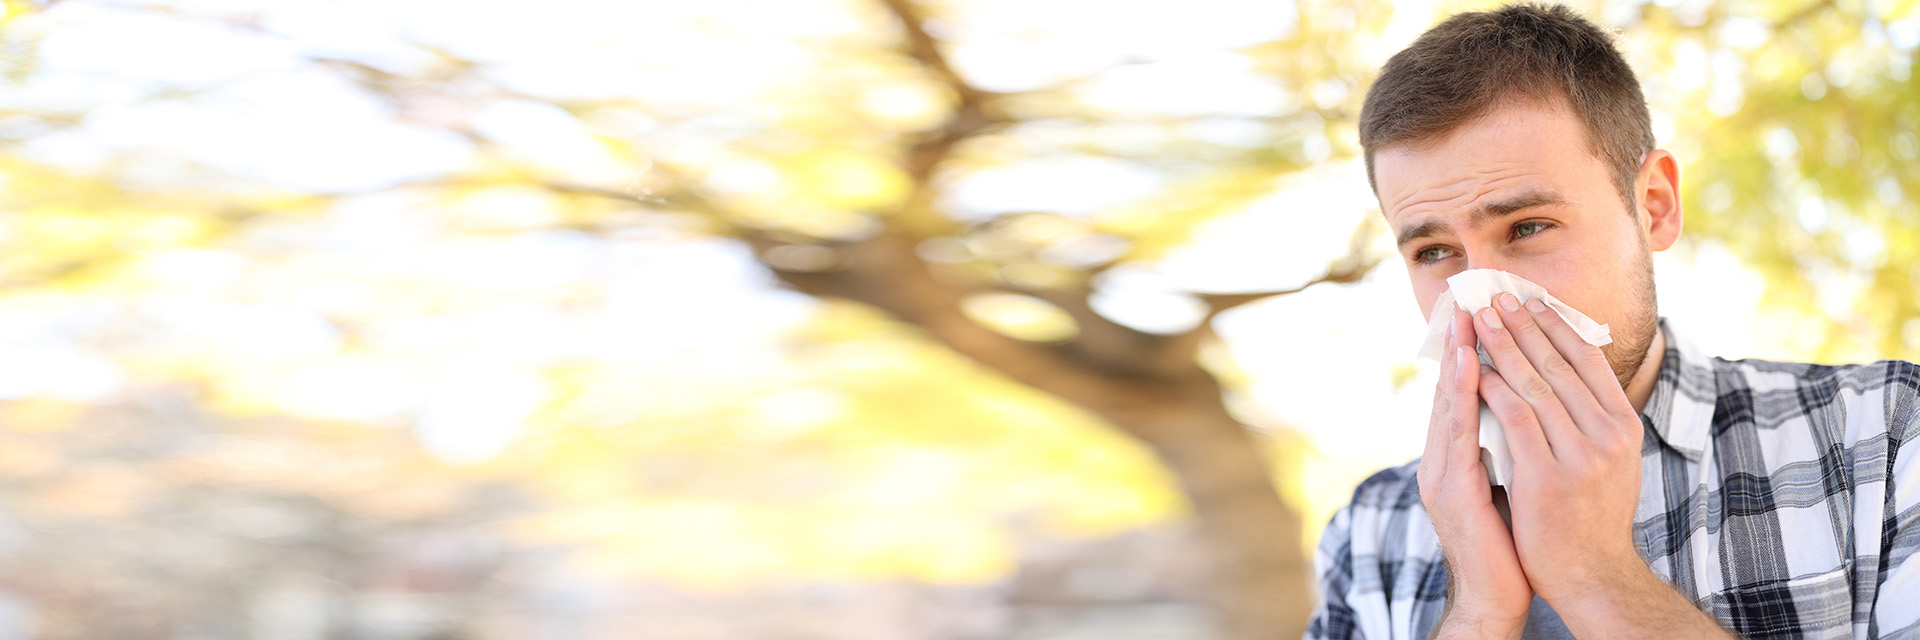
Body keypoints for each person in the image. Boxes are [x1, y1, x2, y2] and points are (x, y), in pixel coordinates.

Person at [1304, 4, 1920, 639]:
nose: (1481, 302)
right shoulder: (1371, 530)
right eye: (1433, 253)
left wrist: (1596, 576)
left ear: (1653, 207)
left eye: (1527, 227)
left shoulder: (1884, 437)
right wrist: (1478, 613)